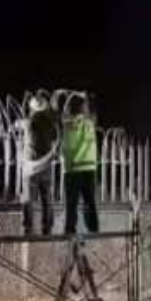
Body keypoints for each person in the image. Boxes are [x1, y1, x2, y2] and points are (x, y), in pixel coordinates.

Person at [62, 94, 99, 234]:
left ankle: (70, 232)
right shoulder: (89, 123)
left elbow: (66, 147)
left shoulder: (68, 124)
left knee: (71, 204)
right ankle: (94, 230)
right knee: (90, 202)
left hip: (73, 169)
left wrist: (70, 97)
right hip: (89, 167)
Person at [22, 95, 57, 235]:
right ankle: (47, 227)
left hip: (31, 165)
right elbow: (54, 138)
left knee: (28, 198)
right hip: (46, 165)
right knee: (47, 197)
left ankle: (28, 227)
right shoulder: (50, 124)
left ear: (32, 108)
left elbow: (16, 125)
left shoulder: (28, 122)